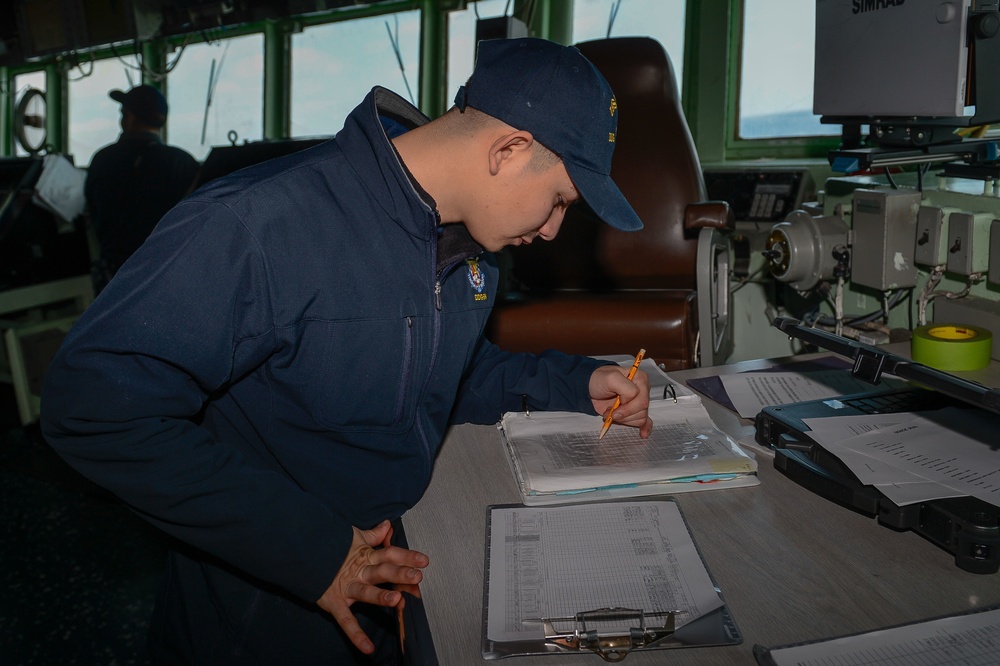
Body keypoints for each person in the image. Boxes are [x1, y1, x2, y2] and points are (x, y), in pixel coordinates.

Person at [41, 38, 653, 665]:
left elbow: (441, 373)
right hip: (264, 606)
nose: (553, 229)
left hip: (387, 575)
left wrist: (575, 383)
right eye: (559, 201)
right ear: (508, 149)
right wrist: (313, 550)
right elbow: (91, 405)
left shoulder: (472, 254)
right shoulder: (256, 225)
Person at [85, 83, 199, 292]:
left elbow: (92, 211)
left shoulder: (103, 159)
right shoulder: (184, 163)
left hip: (115, 275)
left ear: (128, 118)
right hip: (168, 272)